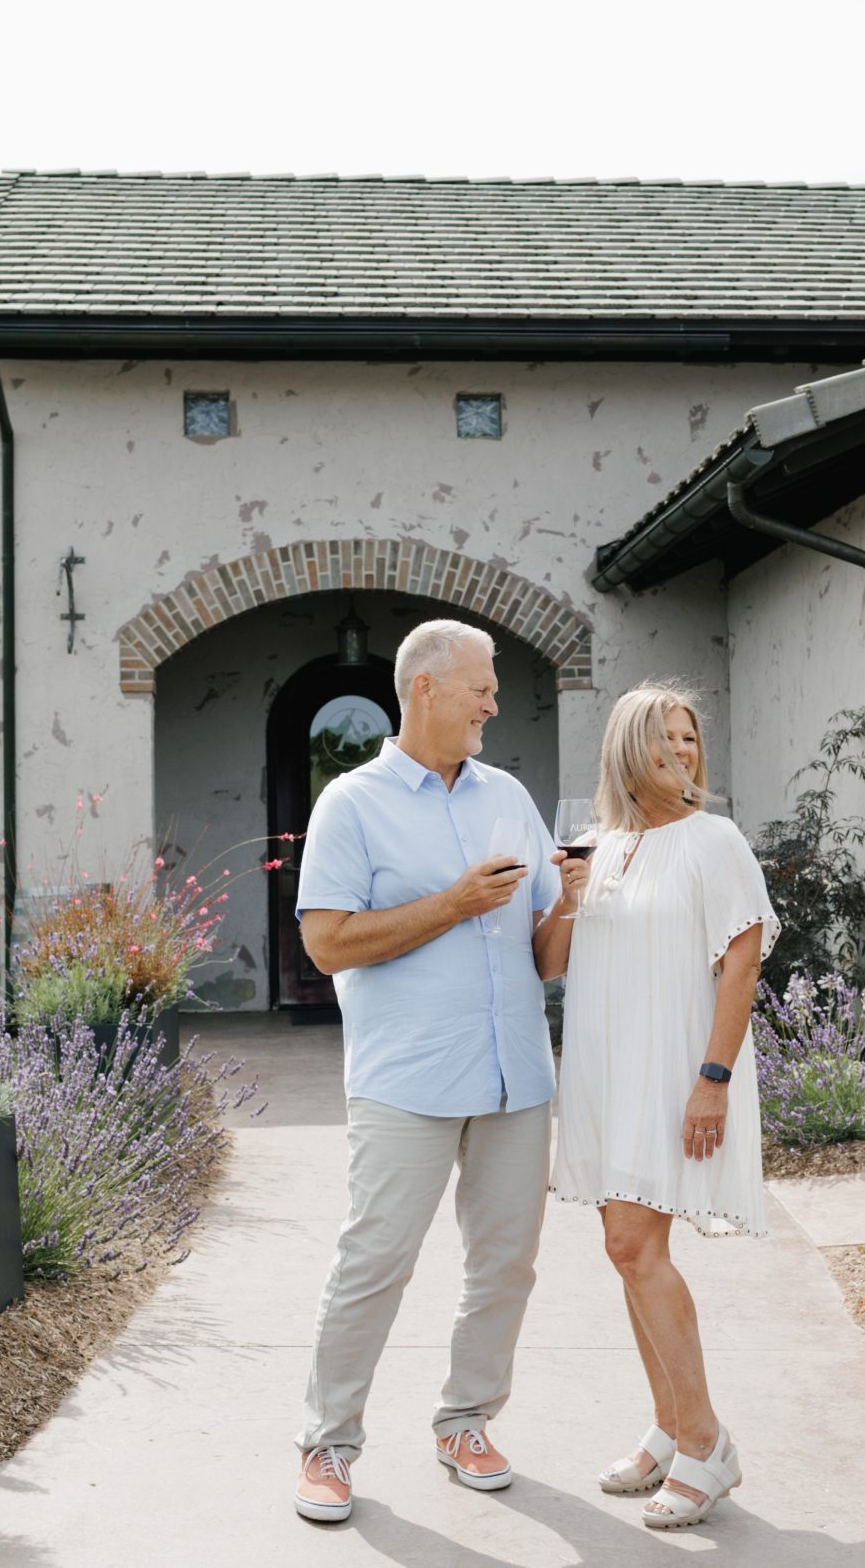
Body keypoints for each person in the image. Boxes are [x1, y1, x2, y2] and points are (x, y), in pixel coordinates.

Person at [287, 618, 588, 1524]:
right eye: (482, 688)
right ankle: (328, 1443)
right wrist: (454, 902)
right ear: (426, 688)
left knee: (507, 1264)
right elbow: (327, 943)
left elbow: (543, 958)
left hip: (514, 1080)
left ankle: (466, 1420)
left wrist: (569, 902)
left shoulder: (509, 797)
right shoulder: (351, 802)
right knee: (375, 1259)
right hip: (406, 1079)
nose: (495, 703)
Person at [547, 681, 778, 1530]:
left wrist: (713, 1077)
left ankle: (709, 1443)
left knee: (632, 1244)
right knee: (625, 1251)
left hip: (681, 1073)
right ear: (626, 749)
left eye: (689, 739)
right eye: (664, 738)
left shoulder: (715, 841)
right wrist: (568, 895)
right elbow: (550, 964)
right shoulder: (601, 847)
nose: (682, 751)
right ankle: (670, 1426)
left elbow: (741, 966)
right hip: (609, 1075)